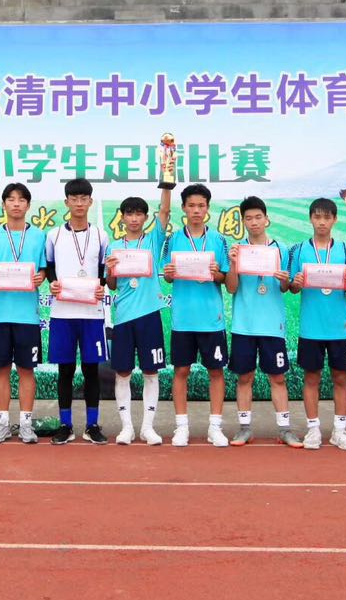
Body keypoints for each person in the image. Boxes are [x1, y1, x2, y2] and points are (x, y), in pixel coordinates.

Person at [225, 196, 301, 447]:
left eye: (258, 217)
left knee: (277, 378)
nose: (254, 222)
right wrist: (233, 265)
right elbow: (232, 288)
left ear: (267, 219)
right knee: (244, 377)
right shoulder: (238, 250)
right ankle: (244, 428)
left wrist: (284, 279)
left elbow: (287, 288)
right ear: (243, 221)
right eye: (249, 218)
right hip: (244, 325)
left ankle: (285, 429)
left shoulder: (281, 249)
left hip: (272, 325)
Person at [287, 198, 346, 451]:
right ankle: (313, 429)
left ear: (335, 220)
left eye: (327, 217)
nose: (322, 222)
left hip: (339, 327)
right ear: (310, 219)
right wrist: (295, 283)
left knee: (341, 377)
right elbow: (290, 287)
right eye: (317, 217)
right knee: (311, 377)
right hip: (311, 327)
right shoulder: (298, 250)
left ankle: (340, 430)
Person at [162, 183, 230, 448]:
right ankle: (182, 427)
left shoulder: (219, 240)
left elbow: (225, 277)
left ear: (208, 208)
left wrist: (217, 274)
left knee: (216, 371)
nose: (196, 210)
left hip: (211, 318)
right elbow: (168, 276)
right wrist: (169, 274)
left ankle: (215, 427)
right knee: (181, 371)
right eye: (191, 205)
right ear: (183, 208)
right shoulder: (173, 240)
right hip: (183, 319)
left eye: (201, 205)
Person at [45, 178, 109, 445]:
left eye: (84, 199)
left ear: (90, 202)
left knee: (92, 370)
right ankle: (65, 425)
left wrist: (101, 286)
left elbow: (104, 270)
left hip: (92, 314)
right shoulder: (54, 235)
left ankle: (92, 425)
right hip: (63, 314)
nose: (79, 203)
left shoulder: (101, 236)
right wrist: (52, 282)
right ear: (67, 202)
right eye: (74, 199)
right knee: (66, 370)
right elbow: (49, 266)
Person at [0, 182, 47, 444]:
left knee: (26, 370)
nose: (16, 204)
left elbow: (43, 269)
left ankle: (26, 424)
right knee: (1, 370)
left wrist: (42, 276)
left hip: (27, 316)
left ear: (28, 205)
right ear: (3, 204)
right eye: (11, 199)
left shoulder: (40, 236)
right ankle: (2, 423)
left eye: (21, 199)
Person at [105, 192, 170, 446]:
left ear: (145, 217)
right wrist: (110, 270)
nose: (134, 218)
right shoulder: (114, 247)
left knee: (151, 372)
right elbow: (111, 284)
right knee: (123, 372)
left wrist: (166, 183)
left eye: (139, 214)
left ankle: (147, 428)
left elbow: (164, 212)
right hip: (123, 317)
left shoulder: (153, 239)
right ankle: (127, 428)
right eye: (129, 214)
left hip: (149, 315)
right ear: (122, 218)